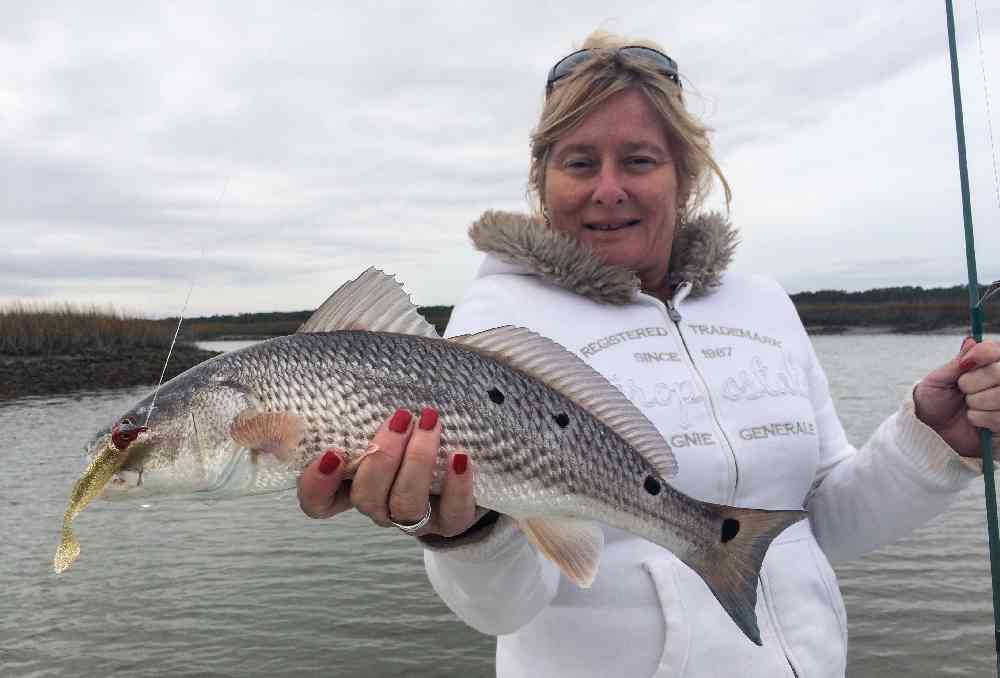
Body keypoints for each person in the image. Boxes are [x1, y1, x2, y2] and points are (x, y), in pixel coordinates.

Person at [297, 30, 1000, 677]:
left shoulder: (762, 305)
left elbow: (816, 526)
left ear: (684, 176)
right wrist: (465, 532)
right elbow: (503, 610)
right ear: (542, 182)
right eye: (579, 162)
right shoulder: (498, 323)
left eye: (638, 160)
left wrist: (933, 441)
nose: (609, 190)